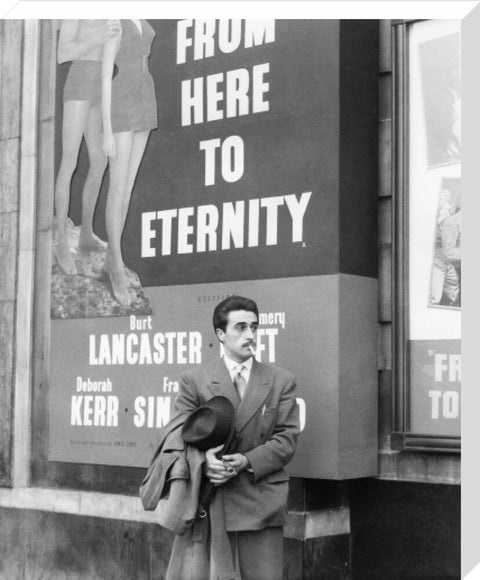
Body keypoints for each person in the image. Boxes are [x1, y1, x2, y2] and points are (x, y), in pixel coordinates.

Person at [174, 295, 300, 580]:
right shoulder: (195, 379)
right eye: (240, 327)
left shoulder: (281, 381)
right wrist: (205, 461)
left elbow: (287, 439)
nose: (250, 335)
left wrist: (246, 460)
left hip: (261, 501)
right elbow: (178, 436)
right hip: (212, 501)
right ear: (220, 334)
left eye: (254, 327)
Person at [54, 19, 120, 275]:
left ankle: (87, 233)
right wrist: (97, 39)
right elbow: (63, 53)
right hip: (80, 80)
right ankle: (61, 241)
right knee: (69, 160)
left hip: (103, 83)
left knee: (100, 161)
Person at [101, 19, 157, 306]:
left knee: (128, 187)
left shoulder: (143, 19)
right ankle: (116, 262)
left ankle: (113, 257)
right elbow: (105, 73)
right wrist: (107, 130)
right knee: (117, 186)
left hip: (145, 93)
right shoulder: (115, 19)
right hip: (122, 96)